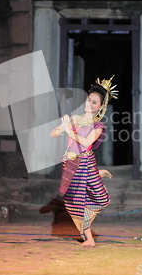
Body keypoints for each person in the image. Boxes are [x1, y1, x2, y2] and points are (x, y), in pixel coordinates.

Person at [50, 76, 117, 246]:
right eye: (89, 100)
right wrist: (62, 128)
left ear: (101, 106)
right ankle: (89, 240)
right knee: (75, 201)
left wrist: (69, 131)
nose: (90, 104)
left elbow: (87, 143)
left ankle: (94, 175)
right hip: (71, 164)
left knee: (102, 199)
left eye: (94, 102)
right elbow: (53, 133)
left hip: (86, 162)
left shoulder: (98, 126)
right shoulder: (74, 119)